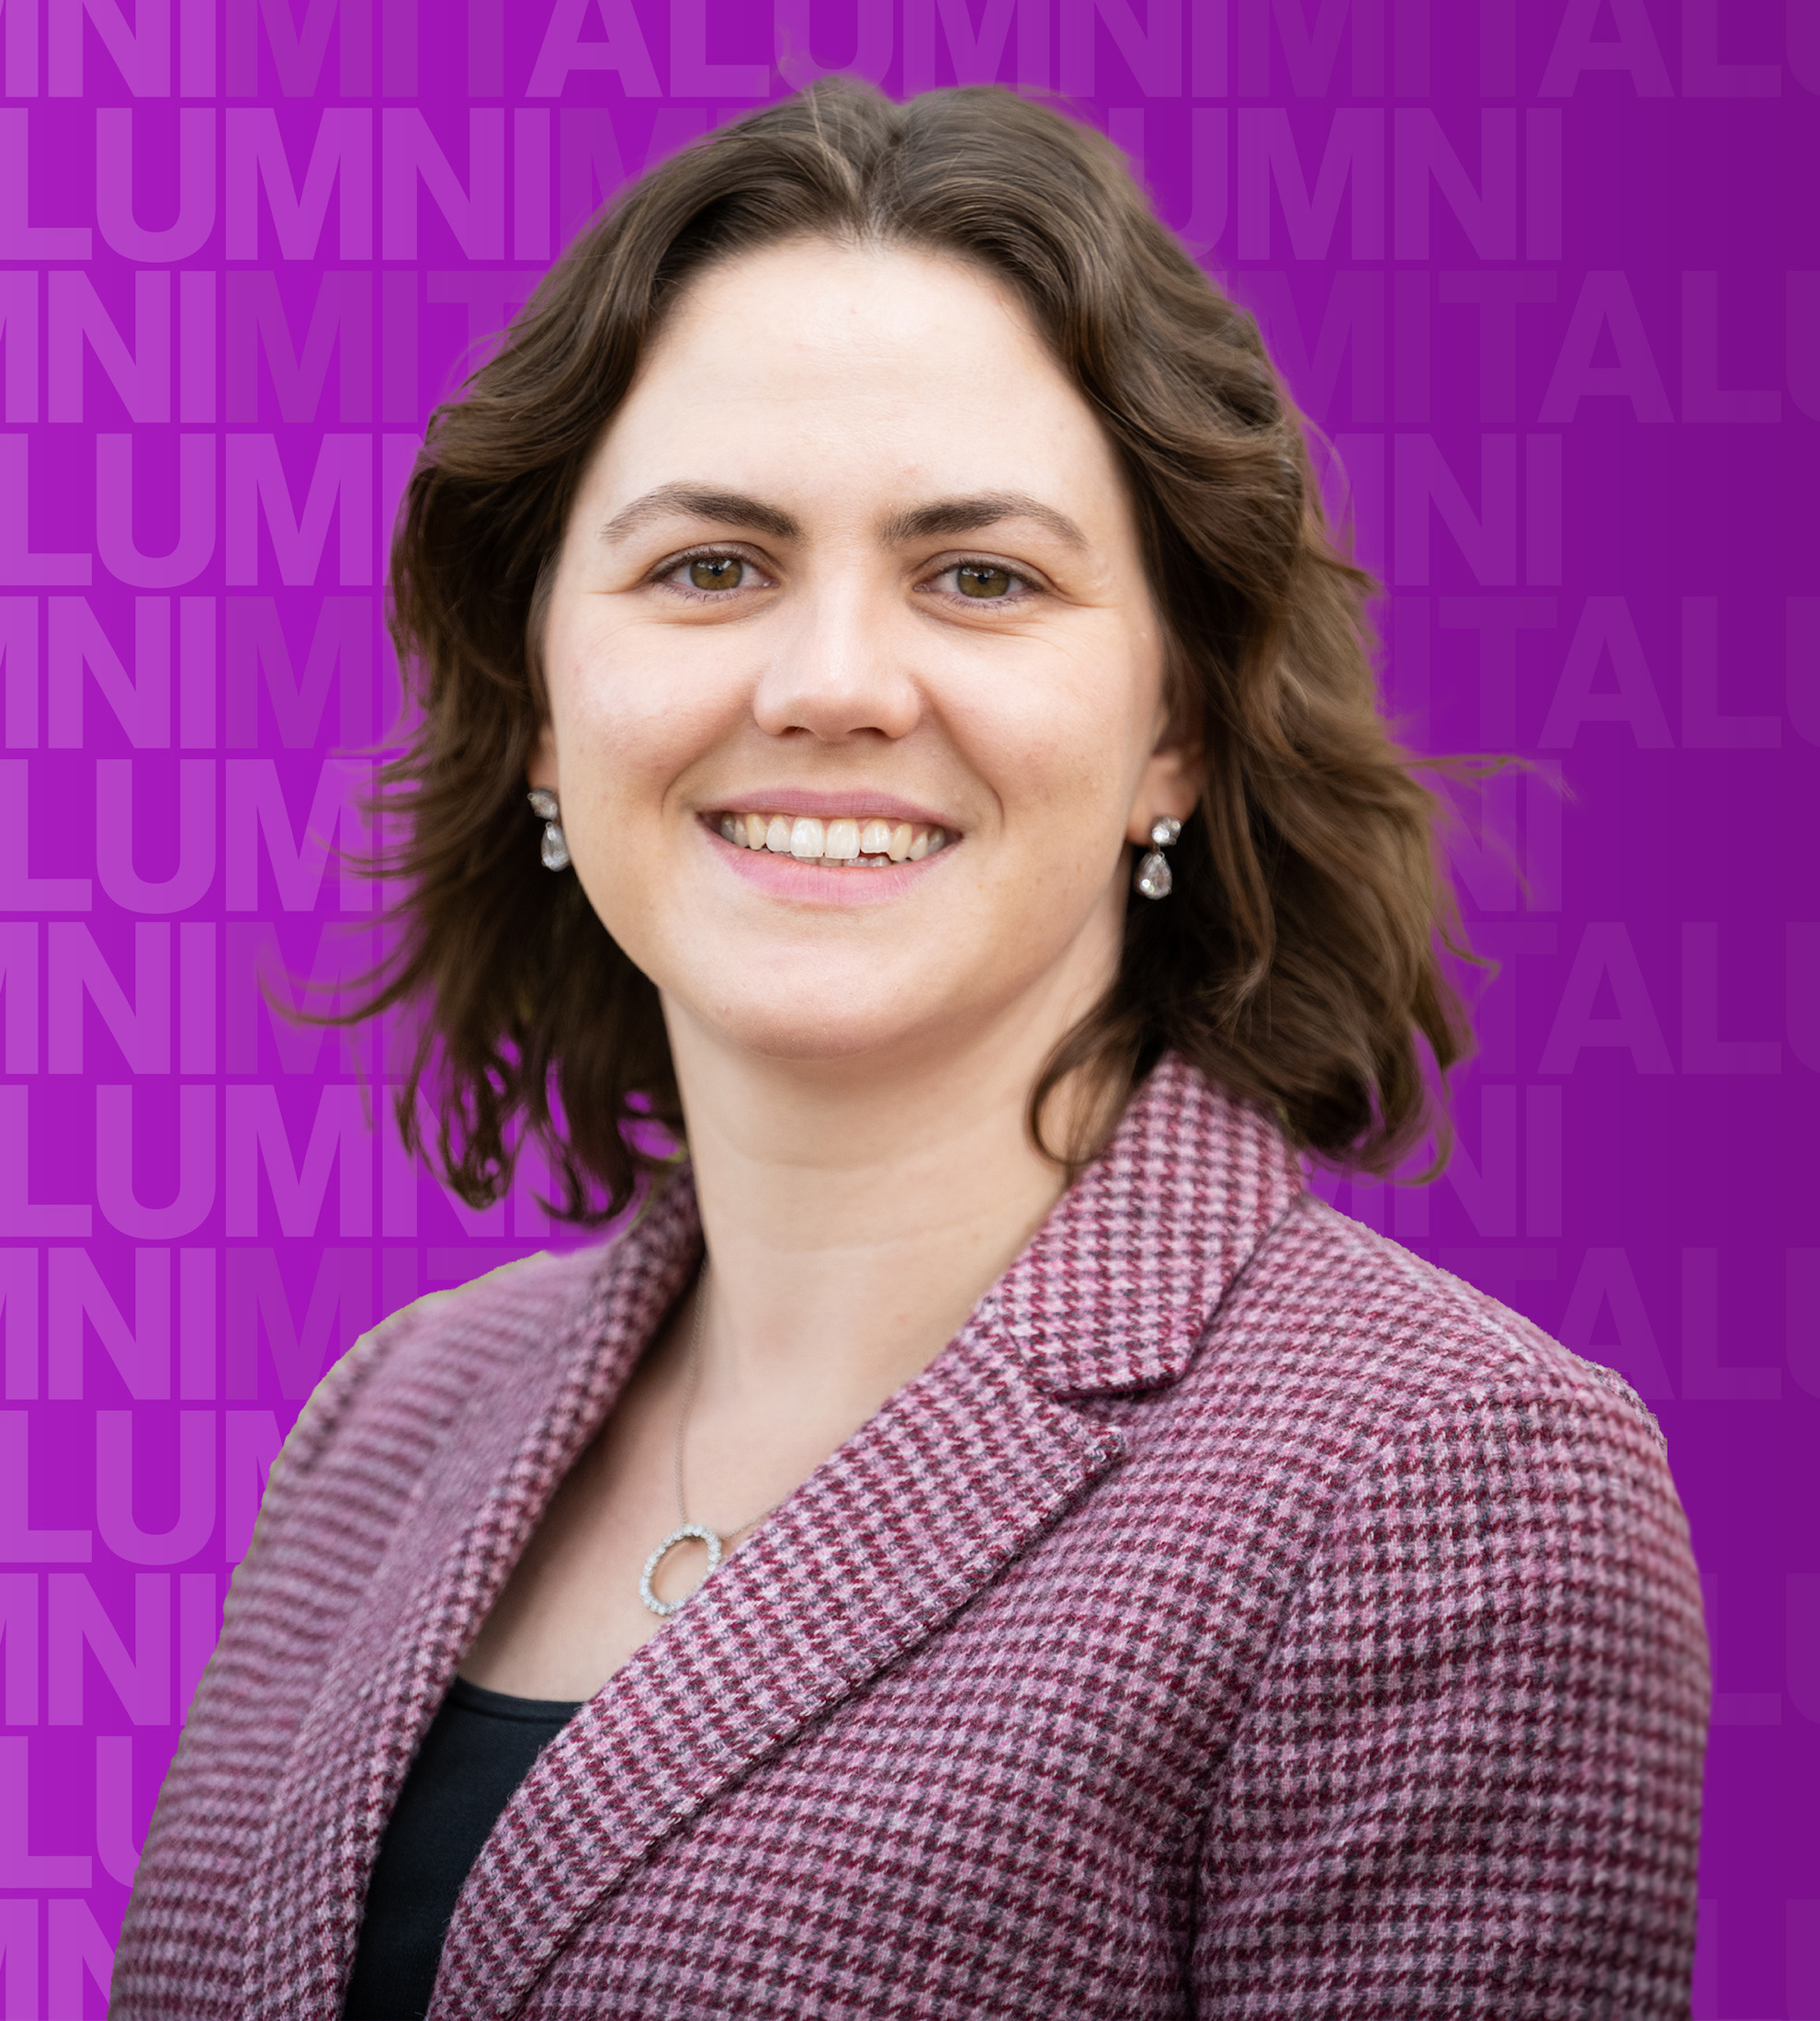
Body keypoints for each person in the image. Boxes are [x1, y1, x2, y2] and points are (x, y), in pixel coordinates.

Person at [107, 76, 1711, 2021]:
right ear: (541, 705)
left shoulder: (1443, 1481)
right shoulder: (389, 1415)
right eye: (712, 564)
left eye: (983, 576)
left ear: (1175, 732)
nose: (834, 682)